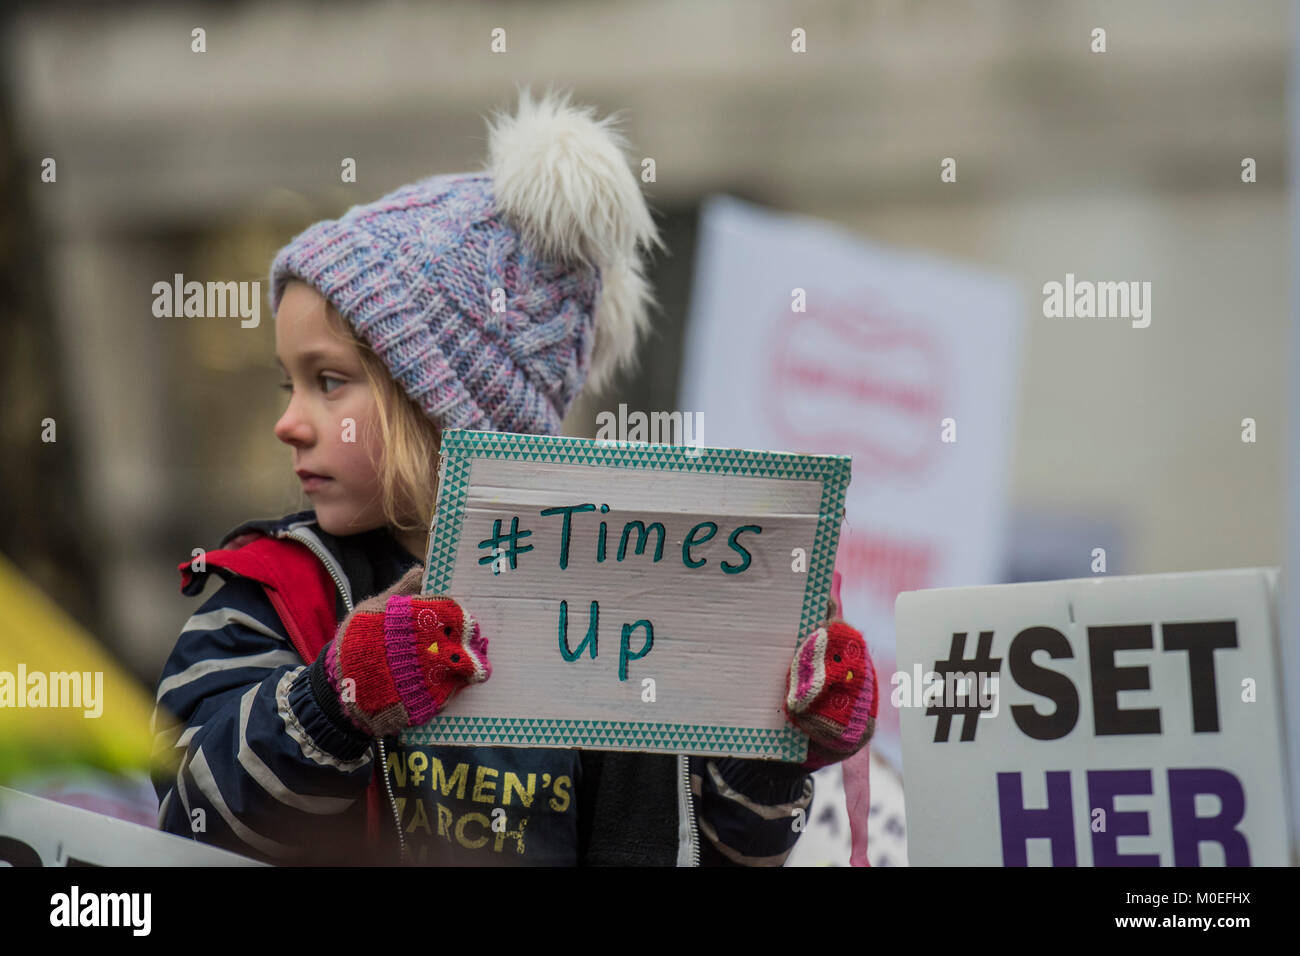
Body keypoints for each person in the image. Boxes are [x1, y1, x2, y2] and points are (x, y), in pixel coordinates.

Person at [150, 86, 878, 866]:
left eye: (328, 382)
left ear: (443, 406)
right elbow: (191, 817)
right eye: (286, 383)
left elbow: (729, 851)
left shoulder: (628, 613)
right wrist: (337, 701)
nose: (288, 421)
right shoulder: (273, 597)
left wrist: (773, 733)